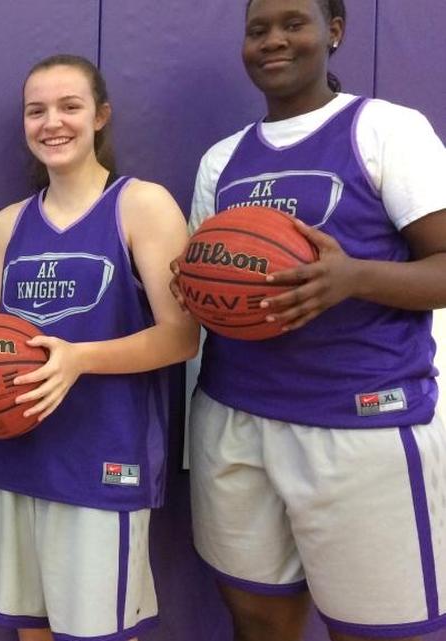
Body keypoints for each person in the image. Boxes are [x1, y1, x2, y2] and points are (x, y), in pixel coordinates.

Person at [179, 1, 446, 639]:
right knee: (257, 619)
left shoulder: (386, 130)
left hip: (359, 423)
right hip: (235, 417)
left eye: (293, 22)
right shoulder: (224, 160)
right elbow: (201, 290)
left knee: (377, 632)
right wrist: (196, 286)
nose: (273, 40)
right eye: (257, 30)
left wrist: (354, 277)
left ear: (335, 32)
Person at [0, 54, 198, 641]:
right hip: (17, 457)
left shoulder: (141, 204)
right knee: (31, 630)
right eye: (37, 110)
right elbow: (1, 342)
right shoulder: (7, 224)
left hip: (102, 461)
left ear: (100, 116)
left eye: (70, 106)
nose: (52, 122)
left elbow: (182, 336)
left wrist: (80, 359)